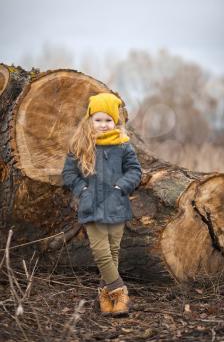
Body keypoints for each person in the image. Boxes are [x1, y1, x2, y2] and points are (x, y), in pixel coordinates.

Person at [62, 92, 142, 317]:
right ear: (90, 119)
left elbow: (135, 171)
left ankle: (106, 296)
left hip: (117, 204)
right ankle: (121, 292)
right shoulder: (80, 144)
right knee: (100, 252)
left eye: (108, 120)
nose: (104, 125)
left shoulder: (124, 146)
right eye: (99, 120)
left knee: (113, 251)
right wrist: (83, 190)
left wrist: (120, 188)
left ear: (115, 121)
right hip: (91, 206)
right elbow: (69, 173)